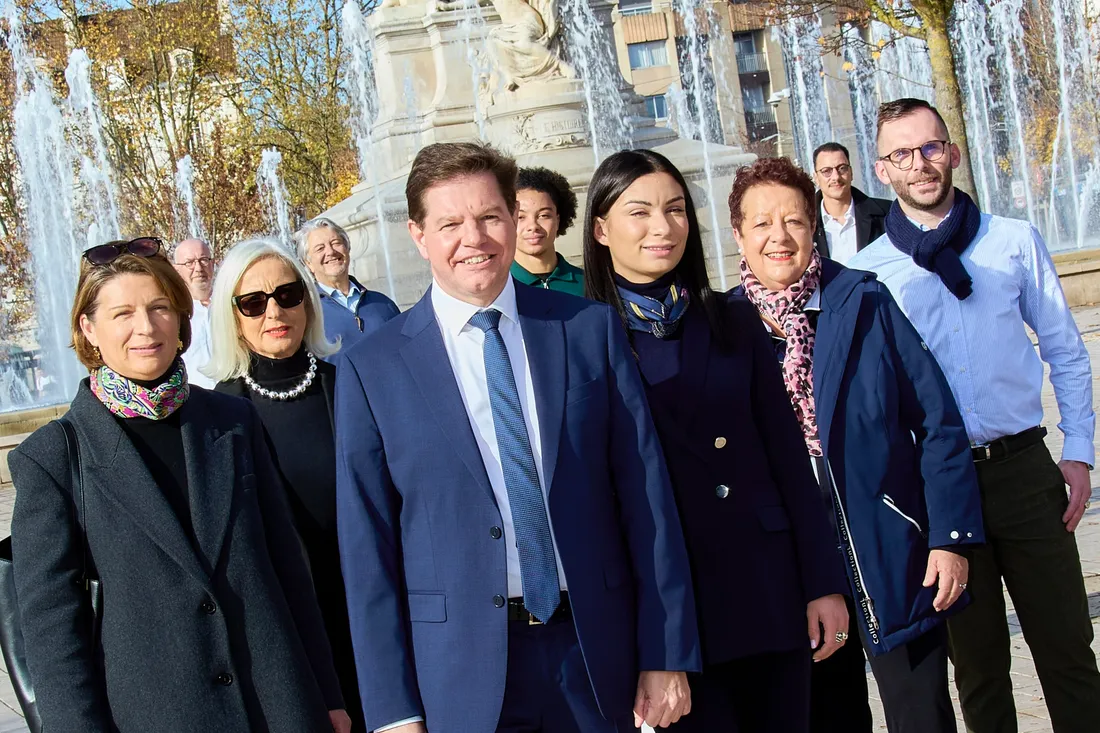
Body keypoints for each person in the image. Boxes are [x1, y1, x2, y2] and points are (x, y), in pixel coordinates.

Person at [335, 142, 700, 733]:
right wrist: (392, 710)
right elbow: (367, 551)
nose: (473, 238)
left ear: (513, 219)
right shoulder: (372, 367)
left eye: (488, 217)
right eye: (450, 223)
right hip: (458, 676)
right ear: (418, 235)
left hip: (596, 658)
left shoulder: (586, 329)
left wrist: (665, 652)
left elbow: (646, 496)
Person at [8, 237, 350, 732]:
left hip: (279, 707)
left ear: (181, 318)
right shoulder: (53, 458)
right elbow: (53, 633)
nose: (145, 328)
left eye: (159, 307)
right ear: (89, 327)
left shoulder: (233, 421)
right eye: (122, 313)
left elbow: (287, 570)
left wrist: (328, 693)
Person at [850, 97, 1100, 732]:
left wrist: (1079, 450)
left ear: (952, 152)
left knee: (1069, 650)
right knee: (979, 668)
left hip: (1024, 471)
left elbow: (1067, 352)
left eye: (931, 147)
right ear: (882, 170)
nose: (921, 163)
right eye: (902, 154)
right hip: (941, 492)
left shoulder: (1012, 240)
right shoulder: (869, 274)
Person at [581, 149, 848, 733]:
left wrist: (823, 584)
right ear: (601, 229)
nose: (663, 227)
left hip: (766, 589)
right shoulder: (580, 340)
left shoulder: (732, 318)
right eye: (640, 211)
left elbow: (787, 459)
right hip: (674, 614)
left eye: (676, 209)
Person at [731, 156, 985, 733]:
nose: (780, 237)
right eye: (762, 223)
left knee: (922, 715)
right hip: (792, 569)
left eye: (794, 221)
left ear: (814, 225)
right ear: (739, 235)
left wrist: (949, 537)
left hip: (892, 549)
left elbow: (939, 422)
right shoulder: (725, 328)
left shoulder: (863, 301)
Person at [207, 238, 365, 732]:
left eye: (288, 294)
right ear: (232, 317)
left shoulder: (352, 387)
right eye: (252, 302)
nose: (273, 311)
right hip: (285, 634)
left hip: (365, 618)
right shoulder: (216, 415)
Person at [295, 216, 400, 352]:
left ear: (347, 248)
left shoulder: (383, 304)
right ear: (308, 263)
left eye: (335, 243)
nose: (331, 251)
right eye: (320, 248)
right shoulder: (307, 313)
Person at [811, 143, 891, 266]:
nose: (836, 177)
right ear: (816, 177)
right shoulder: (806, 222)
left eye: (842, 168)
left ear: (851, 172)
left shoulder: (887, 214)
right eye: (826, 171)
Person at [510, 166, 584, 296]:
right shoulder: (498, 288)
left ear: (558, 220)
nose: (533, 226)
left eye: (544, 215)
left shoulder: (589, 284)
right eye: (520, 217)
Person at [172, 237, 216, 388]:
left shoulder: (234, 306)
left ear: (212, 264)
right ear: (176, 270)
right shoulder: (173, 315)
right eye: (189, 263)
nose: (198, 268)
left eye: (203, 260)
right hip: (195, 402)